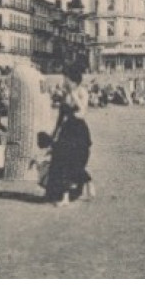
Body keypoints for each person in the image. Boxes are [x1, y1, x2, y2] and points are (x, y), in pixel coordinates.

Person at [45, 66, 94, 207]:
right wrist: (54, 134)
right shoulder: (66, 94)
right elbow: (61, 117)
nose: (63, 80)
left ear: (72, 80)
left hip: (79, 131)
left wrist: (73, 94)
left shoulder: (82, 92)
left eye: (65, 78)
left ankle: (87, 182)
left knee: (75, 162)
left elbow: (82, 112)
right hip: (67, 131)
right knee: (62, 162)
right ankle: (64, 196)